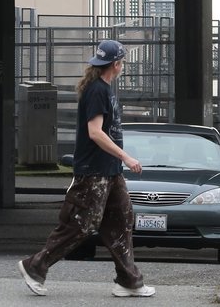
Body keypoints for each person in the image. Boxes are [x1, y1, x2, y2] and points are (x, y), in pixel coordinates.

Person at [18, 39, 155, 298]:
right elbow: (95, 133)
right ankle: (35, 266)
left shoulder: (103, 88)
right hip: (94, 172)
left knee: (122, 220)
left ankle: (129, 280)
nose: (123, 66)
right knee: (82, 224)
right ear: (116, 65)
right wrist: (126, 157)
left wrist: (118, 163)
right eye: (122, 62)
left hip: (110, 172)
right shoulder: (97, 91)